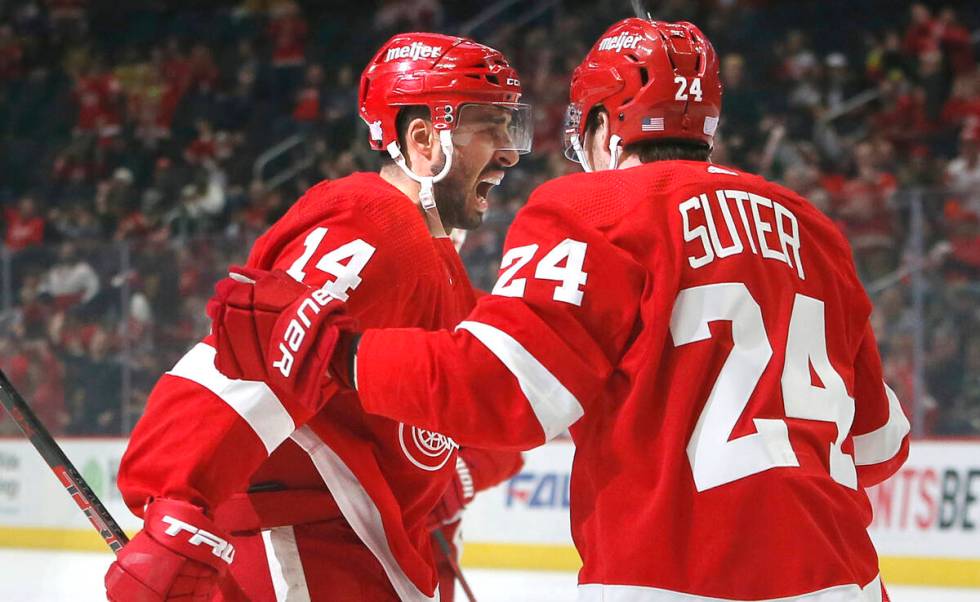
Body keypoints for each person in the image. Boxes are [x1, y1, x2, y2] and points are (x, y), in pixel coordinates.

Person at [209, 18, 912, 602]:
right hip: (848, 581)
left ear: (607, 128)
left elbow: (500, 391)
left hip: (671, 583)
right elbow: (880, 449)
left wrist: (333, 350)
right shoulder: (811, 228)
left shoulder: (594, 209)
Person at [105, 32, 530, 602]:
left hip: (363, 554)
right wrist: (177, 498)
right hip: (300, 550)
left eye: (510, 125)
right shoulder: (373, 223)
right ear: (426, 139)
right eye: (489, 126)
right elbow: (251, 357)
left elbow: (492, 392)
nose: (509, 150)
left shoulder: (438, 261)